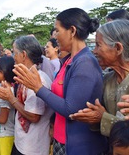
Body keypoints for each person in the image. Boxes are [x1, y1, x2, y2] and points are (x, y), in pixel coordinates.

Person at [12, 8, 108, 155]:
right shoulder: (70, 60)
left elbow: (71, 109)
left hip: (78, 145)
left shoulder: (85, 63)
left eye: (57, 30)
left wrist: (38, 88)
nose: (55, 36)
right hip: (62, 139)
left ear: (72, 31)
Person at [0, 36, 53, 155]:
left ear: (23, 55)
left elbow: (34, 116)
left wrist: (10, 98)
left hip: (32, 147)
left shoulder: (38, 80)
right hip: (22, 143)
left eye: (15, 53)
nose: (13, 57)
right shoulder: (27, 76)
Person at [69, 20, 129, 136]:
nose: (94, 51)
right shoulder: (107, 79)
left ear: (117, 48)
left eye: (98, 45)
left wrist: (102, 117)